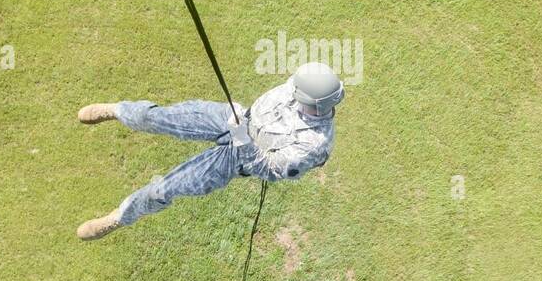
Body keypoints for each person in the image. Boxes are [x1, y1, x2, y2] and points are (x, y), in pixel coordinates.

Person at [76, 62, 345, 239]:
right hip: (235, 117)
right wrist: (241, 121)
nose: (292, 94)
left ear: (316, 105)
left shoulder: (314, 145)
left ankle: (118, 218)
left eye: (299, 97)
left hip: (238, 159)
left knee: (167, 188)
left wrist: (243, 140)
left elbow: (269, 169)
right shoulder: (298, 86)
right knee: (158, 118)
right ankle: (116, 110)